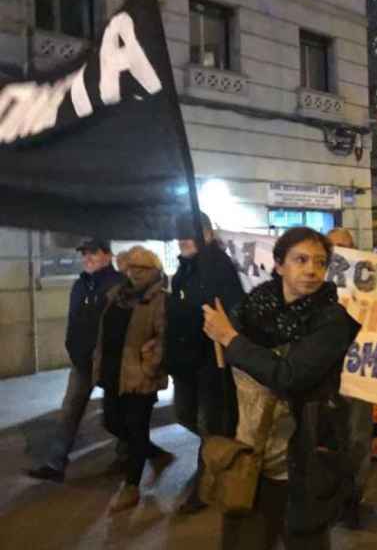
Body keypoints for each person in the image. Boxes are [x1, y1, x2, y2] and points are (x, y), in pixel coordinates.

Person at [203, 227, 361, 550]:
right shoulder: (250, 310)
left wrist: (230, 339)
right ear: (278, 265)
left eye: (319, 262)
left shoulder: (332, 321)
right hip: (249, 456)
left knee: (304, 540)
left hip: (302, 459)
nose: (311, 269)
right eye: (300, 259)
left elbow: (289, 375)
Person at [26, 239, 134, 483]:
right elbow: (74, 322)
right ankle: (55, 463)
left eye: (93, 253)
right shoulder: (79, 285)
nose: (87, 258)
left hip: (110, 362)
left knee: (116, 413)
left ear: (107, 255)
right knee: (69, 410)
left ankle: (128, 455)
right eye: (84, 254)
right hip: (82, 362)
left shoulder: (119, 284)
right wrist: (72, 348)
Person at [166, 212, 246, 514]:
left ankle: (205, 485)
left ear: (208, 234)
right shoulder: (184, 269)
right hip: (186, 362)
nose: (183, 238)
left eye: (191, 232)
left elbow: (234, 307)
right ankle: (221, 455)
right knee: (185, 415)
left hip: (210, 362)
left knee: (210, 423)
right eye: (180, 233)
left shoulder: (218, 266)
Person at [93, 246, 170, 512]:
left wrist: (149, 366)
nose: (135, 273)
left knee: (136, 427)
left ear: (154, 270)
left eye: (142, 268)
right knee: (112, 421)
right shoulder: (117, 296)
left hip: (140, 376)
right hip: (114, 372)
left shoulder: (158, 299)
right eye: (131, 267)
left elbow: (164, 338)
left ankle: (132, 486)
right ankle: (147, 449)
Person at [327, 227, 374, 530]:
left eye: (345, 246)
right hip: (324, 373)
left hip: (360, 372)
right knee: (329, 439)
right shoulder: (316, 284)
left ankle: (353, 498)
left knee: (357, 438)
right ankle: (332, 496)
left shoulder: (371, 283)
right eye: (333, 247)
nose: (340, 251)